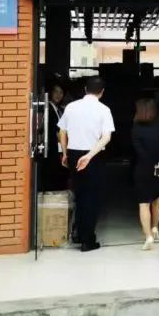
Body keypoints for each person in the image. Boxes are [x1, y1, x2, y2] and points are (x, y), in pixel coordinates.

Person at [57, 77, 114, 252]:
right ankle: (87, 240)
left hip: (74, 154)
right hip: (94, 155)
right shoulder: (104, 109)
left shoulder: (71, 107)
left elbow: (62, 132)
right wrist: (89, 156)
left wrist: (65, 153)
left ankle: (79, 234)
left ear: (84, 89)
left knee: (80, 194)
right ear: (102, 92)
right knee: (93, 197)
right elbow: (106, 137)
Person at [132, 97, 159, 251]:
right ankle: (155, 227)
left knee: (143, 203)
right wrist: (158, 162)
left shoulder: (136, 127)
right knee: (157, 199)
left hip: (143, 168)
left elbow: (137, 150)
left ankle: (148, 236)